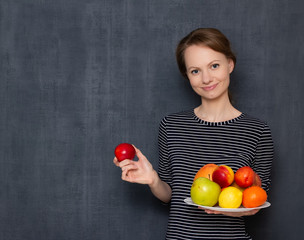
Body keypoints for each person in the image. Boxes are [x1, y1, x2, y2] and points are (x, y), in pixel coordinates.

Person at [113, 28, 274, 240]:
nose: (206, 78)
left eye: (214, 66)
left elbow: (256, 201)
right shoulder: (171, 125)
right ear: (187, 76)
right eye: (195, 71)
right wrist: (153, 180)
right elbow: (170, 195)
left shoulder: (257, 131)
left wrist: (233, 209)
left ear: (230, 65)